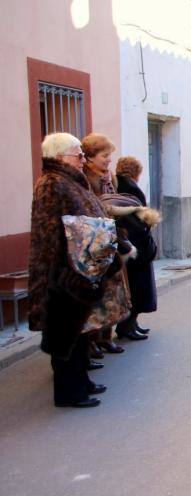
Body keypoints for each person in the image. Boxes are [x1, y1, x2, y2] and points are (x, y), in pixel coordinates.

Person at [29, 133, 123, 407]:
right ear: (60, 157)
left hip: (80, 270)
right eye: (78, 154)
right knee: (64, 335)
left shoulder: (68, 181)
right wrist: (66, 271)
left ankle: (82, 382)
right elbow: (51, 234)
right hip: (64, 273)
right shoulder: (52, 183)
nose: (83, 159)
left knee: (79, 331)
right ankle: (69, 393)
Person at [82, 133, 127, 357]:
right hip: (95, 242)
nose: (109, 160)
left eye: (109, 155)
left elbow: (115, 201)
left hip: (112, 238)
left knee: (112, 292)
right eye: (104, 156)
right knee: (96, 296)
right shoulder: (85, 178)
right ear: (90, 157)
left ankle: (106, 337)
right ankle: (91, 340)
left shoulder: (110, 177)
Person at [113, 157, 159, 341]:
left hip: (132, 244)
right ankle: (127, 326)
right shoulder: (130, 188)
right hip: (136, 246)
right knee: (137, 288)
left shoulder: (119, 185)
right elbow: (137, 220)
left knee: (135, 287)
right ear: (136, 172)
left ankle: (132, 324)